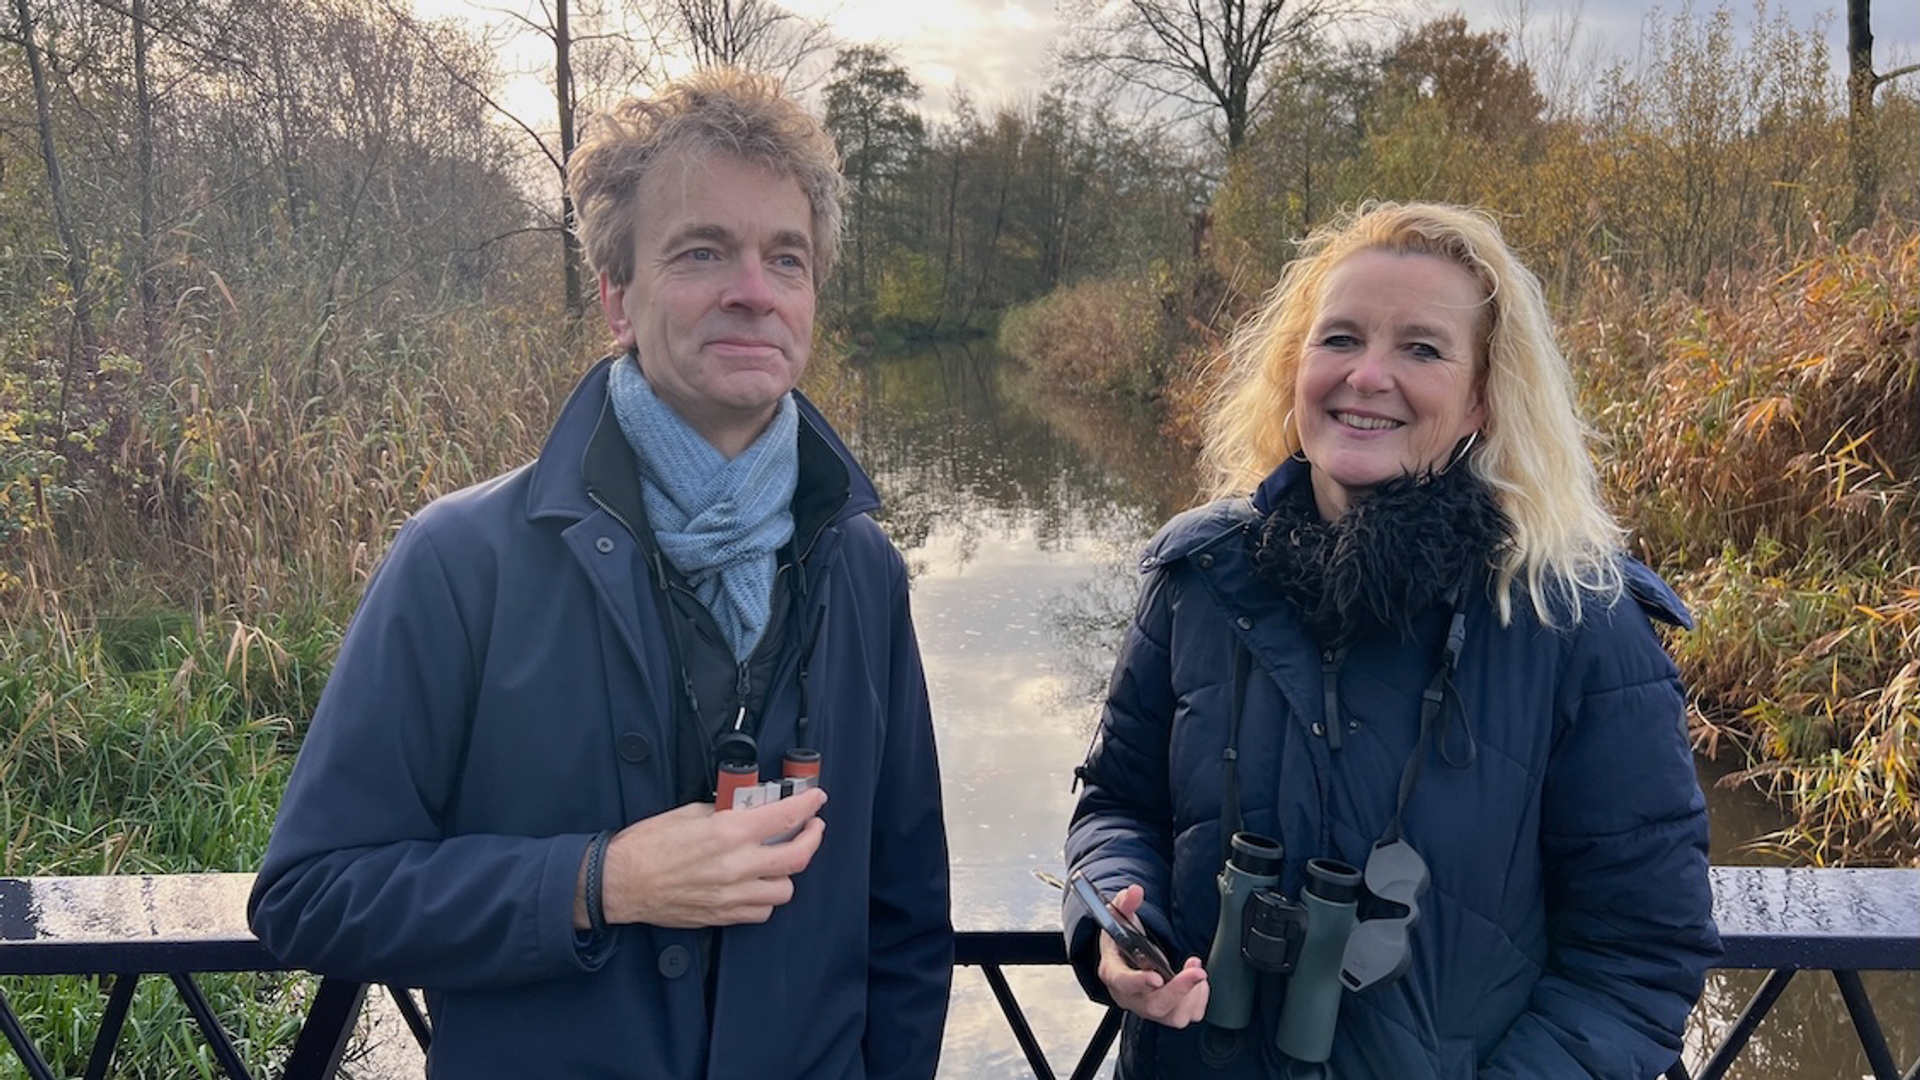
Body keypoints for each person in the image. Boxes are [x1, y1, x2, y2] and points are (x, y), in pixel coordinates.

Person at [250, 68, 952, 1079]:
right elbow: (309, 896)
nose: (752, 290)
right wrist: (597, 882)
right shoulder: (458, 561)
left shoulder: (863, 568)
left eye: (784, 258)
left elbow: (906, 920)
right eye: (703, 251)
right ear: (619, 299)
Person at [1063, 202, 1719, 1079]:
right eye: (1339, 339)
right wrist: (1115, 925)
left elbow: (1639, 952)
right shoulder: (1197, 581)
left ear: (1484, 397)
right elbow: (1114, 806)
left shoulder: (1576, 623)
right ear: (1295, 369)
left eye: (1422, 348)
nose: (1368, 375)